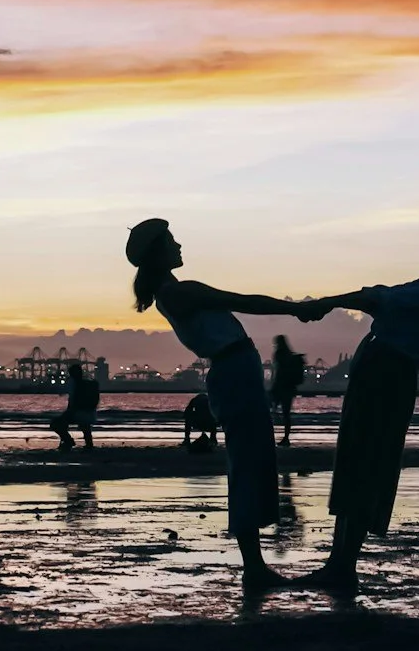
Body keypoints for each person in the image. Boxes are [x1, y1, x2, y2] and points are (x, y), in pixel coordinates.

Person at [296, 209, 419, 595]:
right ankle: (339, 564)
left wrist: (327, 302)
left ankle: (342, 566)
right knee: (362, 461)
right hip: (387, 375)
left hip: (385, 376)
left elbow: (379, 298)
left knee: (363, 461)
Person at [127, 217, 319, 589]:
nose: (178, 245)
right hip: (235, 373)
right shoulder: (181, 292)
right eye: (171, 241)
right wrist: (295, 309)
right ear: (159, 253)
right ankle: (255, 568)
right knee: (248, 464)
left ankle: (256, 565)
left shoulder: (171, 293)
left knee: (251, 461)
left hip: (235, 372)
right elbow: (243, 302)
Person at [50, 360, 101, 450]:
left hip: (76, 412)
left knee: (55, 424)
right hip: (90, 414)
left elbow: (60, 392)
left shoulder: (72, 382)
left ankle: (68, 440)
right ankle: (89, 446)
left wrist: (59, 379)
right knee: (86, 429)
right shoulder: (90, 383)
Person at [269, 335, 307, 447]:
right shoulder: (290, 355)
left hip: (280, 387)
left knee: (272, 411)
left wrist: (273, 386)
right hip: (290, 388)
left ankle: (269, 436)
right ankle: (286, 438)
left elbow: (278, 372)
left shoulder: (279, 354)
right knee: (286, 414)